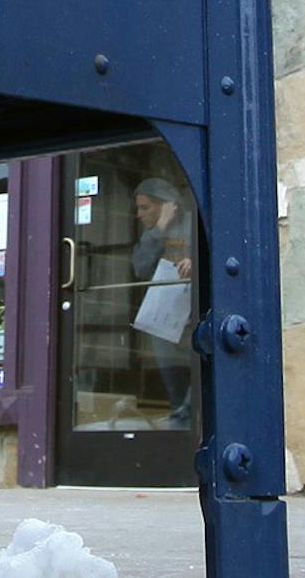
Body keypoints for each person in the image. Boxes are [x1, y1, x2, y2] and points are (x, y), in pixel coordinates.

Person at [130, 176, 195, 427]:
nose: (139, 214)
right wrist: (159, 229)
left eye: (145, 207)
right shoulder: (151, 234)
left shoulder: (191, 224)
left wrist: (194, 263)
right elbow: (140, 267)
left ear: (166, 204)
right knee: (175, 385)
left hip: (191, 316)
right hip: (165, 320)